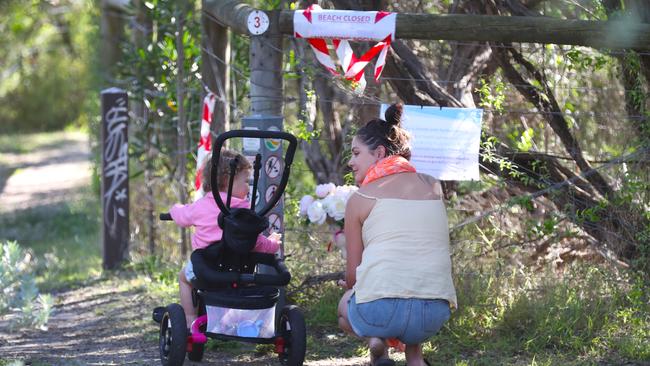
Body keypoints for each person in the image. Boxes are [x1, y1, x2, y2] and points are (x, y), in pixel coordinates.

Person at [337, 104, 457, 366]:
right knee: (414, 286)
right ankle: (415, 359)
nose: (350, 161)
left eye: (356, 153)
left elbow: (353, 276)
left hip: (379, 312)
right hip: (433, 315)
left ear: (379, 152)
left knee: (346, 305)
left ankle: (375, 340)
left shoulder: (360, 199)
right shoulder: (433, 185)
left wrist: (350, 287)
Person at [170, 149, 281, 327]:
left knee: (184, 278)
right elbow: (258, 243)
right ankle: (230, 322)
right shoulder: (244, 213)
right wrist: (273, 244)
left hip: (206, 270)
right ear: (228, 181)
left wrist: (174, 209)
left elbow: (182, 216)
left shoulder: (201, 206)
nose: (248, 187)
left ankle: (190, 319)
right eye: (246, 181)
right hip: (239, 272)